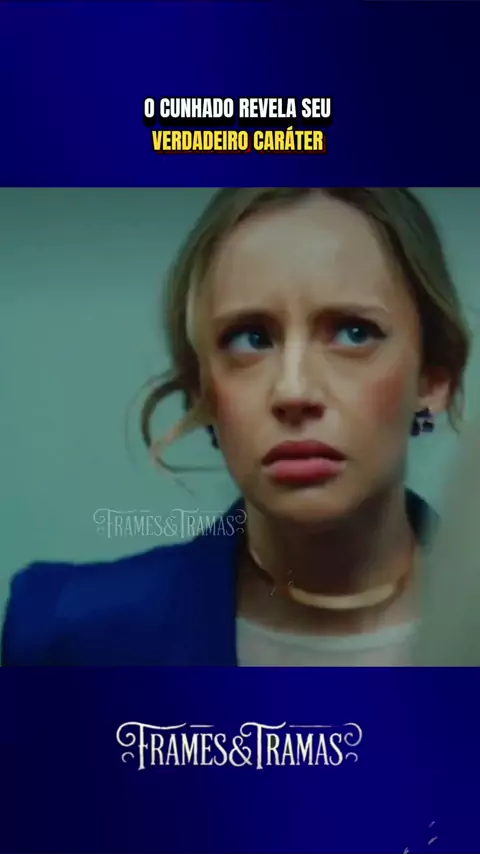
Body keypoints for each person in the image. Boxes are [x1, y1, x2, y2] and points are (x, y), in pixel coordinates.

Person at [1, 188, 471, 666]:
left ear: (434, 379)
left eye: (354, 332)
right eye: (251, 339)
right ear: (201, 391)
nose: (293, 391)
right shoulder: (66, 637)